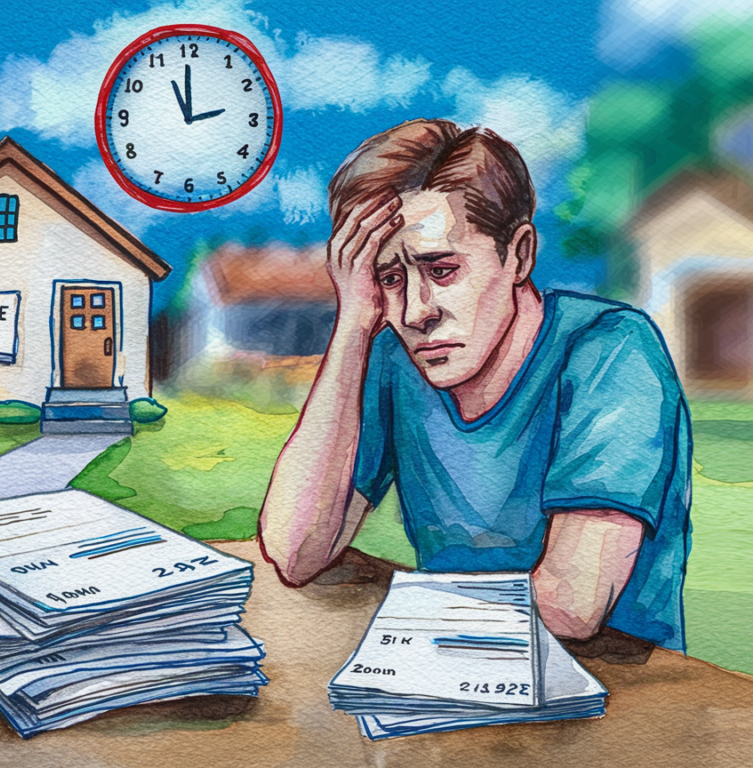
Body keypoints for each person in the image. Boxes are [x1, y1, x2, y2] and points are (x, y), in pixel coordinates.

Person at [257, 119, 692, 651]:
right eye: (389, 279)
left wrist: (411, 618)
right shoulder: (393, 358)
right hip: (451, 672)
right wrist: (353, 324)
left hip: (615, 690)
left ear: (519, 255)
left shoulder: (613, 349)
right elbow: (295, 551)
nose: (416, 313)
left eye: (441, 269)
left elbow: (569, 607)